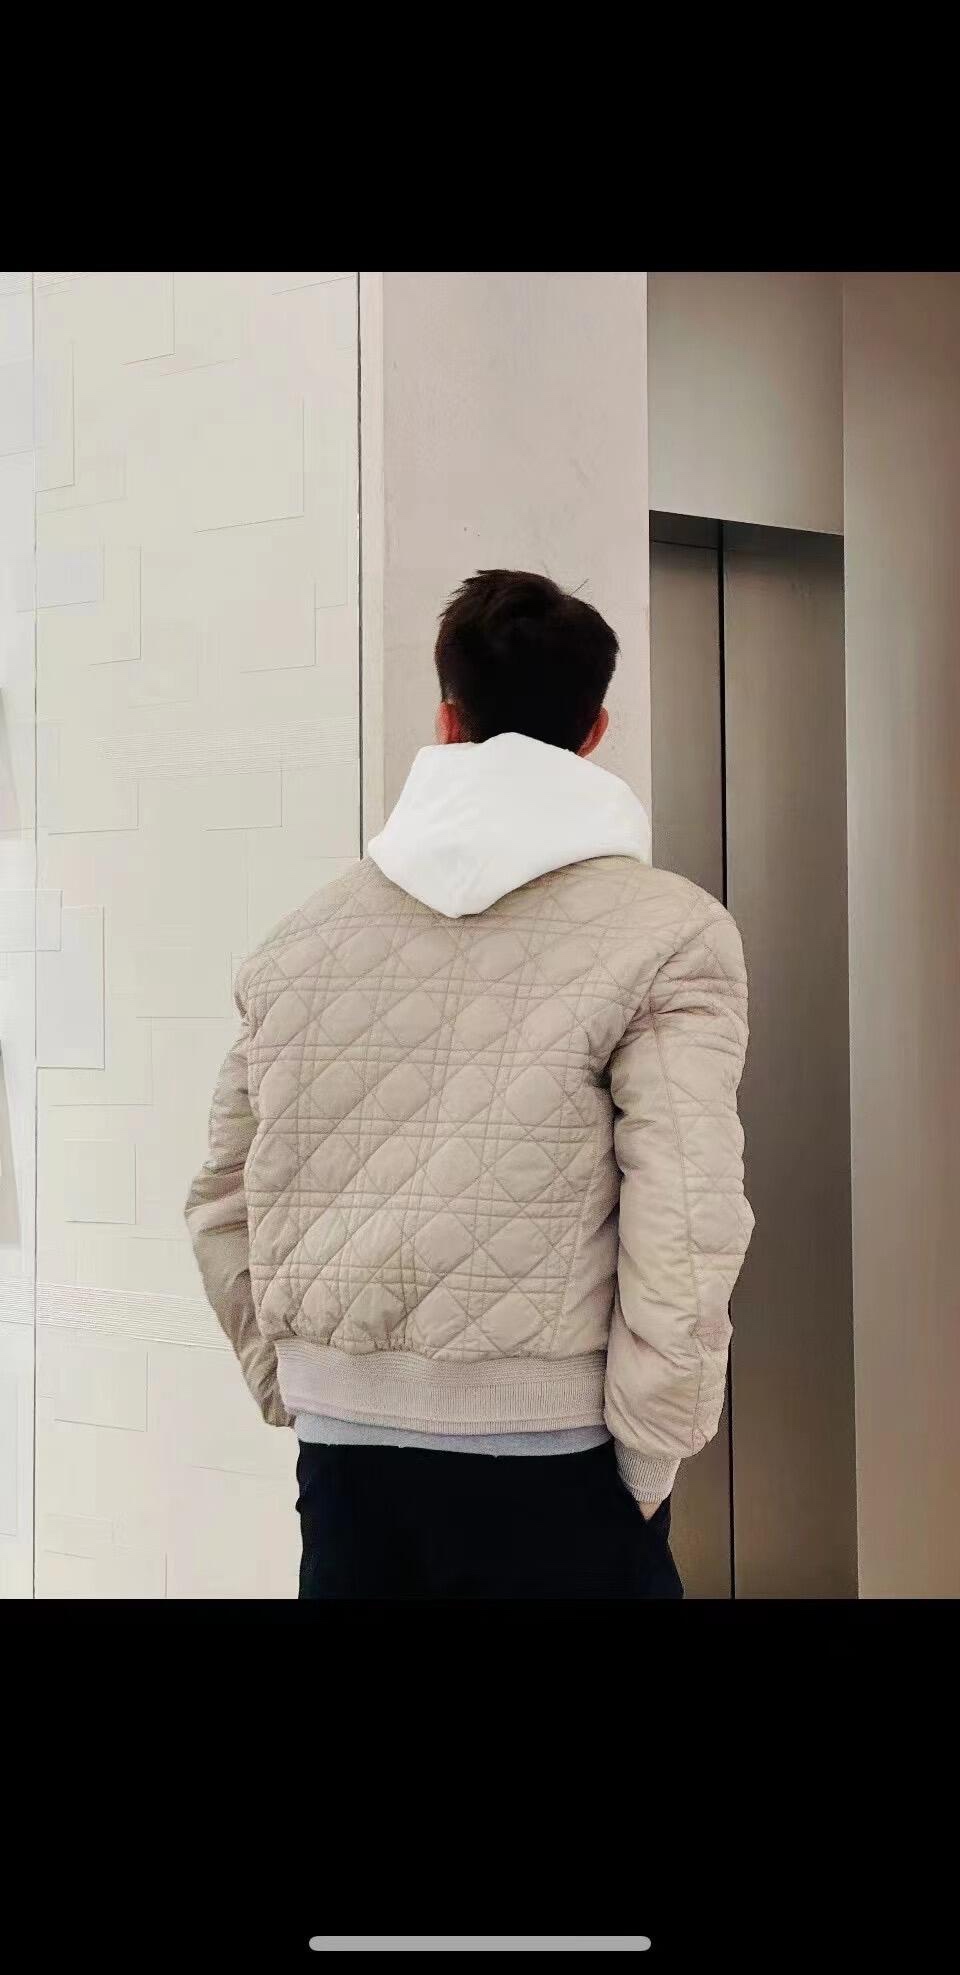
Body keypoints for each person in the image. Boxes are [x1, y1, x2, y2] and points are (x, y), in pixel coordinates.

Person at [185, 570, 753, 1599]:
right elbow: (686, 1214)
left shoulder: (303, 939)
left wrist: (306, 1387)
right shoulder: (670, 932)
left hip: (346, 1467)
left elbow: (222, 1199)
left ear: (447, 718)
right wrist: (648, 1454)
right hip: (558, 1459)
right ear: (595, 730)